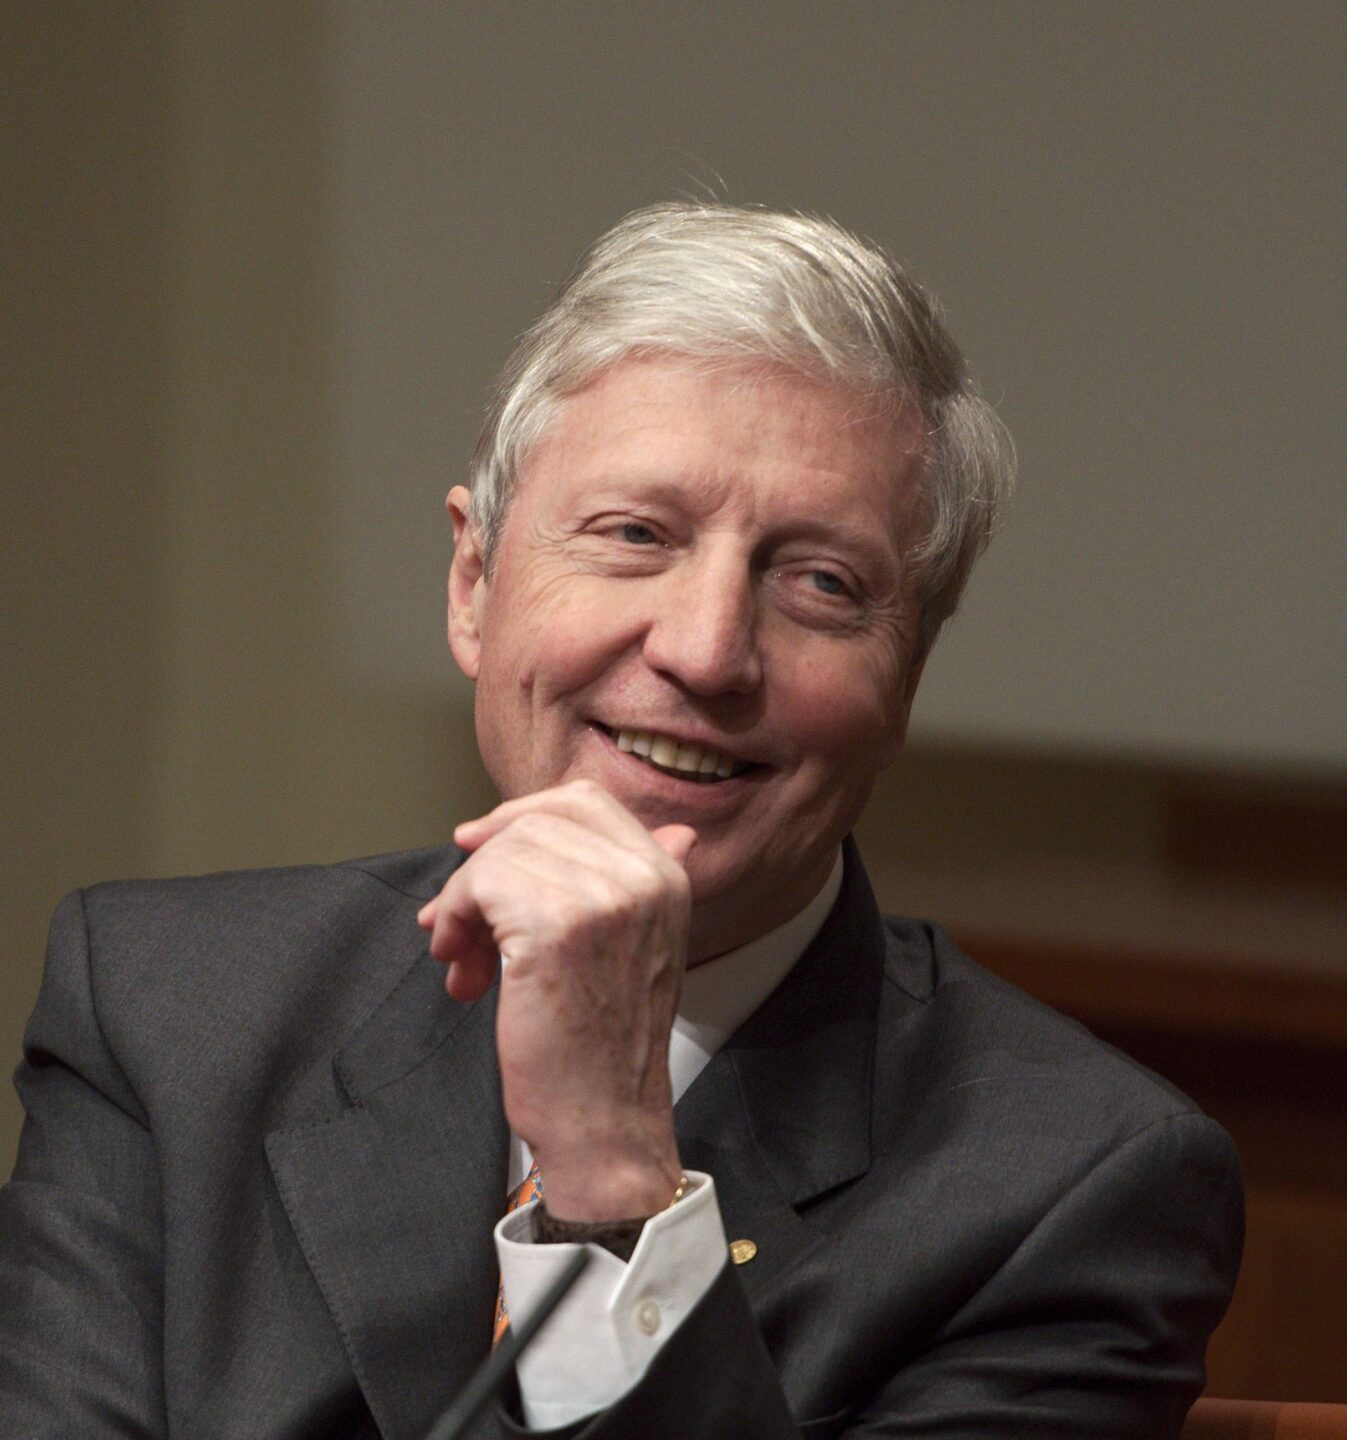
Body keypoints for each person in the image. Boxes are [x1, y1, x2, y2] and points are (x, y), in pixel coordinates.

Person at [1, 203, 1242, 1439]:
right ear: (475, 585)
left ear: (906, 677)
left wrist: (612, 1170)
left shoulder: (1077, 1187)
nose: (706, 651)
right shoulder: (170, 1010)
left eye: (821, 582)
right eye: (635, 535)